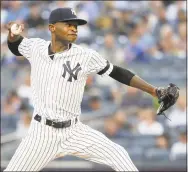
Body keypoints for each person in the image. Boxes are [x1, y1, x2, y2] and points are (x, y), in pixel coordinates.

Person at [5, 7, 178, 172]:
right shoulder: (37, 47)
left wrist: (154, 91)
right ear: (52, 27)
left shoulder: (85, 56)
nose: (74, 29)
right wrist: (12, 34)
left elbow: (118, 72)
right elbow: (16, 46)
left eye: (75, 25)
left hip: (73, 131)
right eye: (68, 24)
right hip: (41, 134)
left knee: (118, 154)